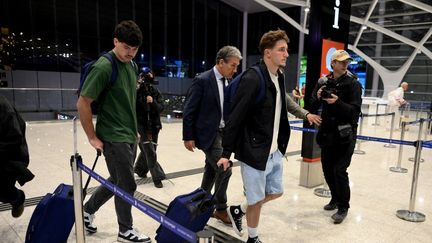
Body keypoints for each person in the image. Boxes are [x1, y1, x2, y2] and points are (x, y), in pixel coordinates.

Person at [217, 30, 321, 243]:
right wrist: (226, 152)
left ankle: (239, 210)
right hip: (255, 151)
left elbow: (285, 103)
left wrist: (305, 114)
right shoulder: (253, 78)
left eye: (286, 50)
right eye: (281, 50)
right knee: (256, 199)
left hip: (273, 150)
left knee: (276, 192)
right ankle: (253, 238)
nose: (286, 54)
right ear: (267, 53)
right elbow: (236, 116)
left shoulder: (278, 76)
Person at [76, 20, 151, 243]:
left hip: (128, 134)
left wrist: (133, 129)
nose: (130, 53)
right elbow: (83, 102)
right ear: (115, 41)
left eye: (135, 49)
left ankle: (87, 210)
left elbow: (126, 100)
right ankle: (125, 230)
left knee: (117, 179)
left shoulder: (132, 65)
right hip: (112, 135)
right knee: (127, 183)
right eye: (126, 47)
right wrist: (92, 137)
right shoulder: (104, 66)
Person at [182, 45, 242, 225]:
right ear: (220, 62)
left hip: (223, 133)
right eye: (233, 65)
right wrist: (188, 136)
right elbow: (189, 109)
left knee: (211, 170)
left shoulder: (228, 81)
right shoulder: (203, 80)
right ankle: (221, 208)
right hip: (208, 133)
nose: (235, 69)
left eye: (237, 66)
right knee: (225, 169)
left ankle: (200, 203)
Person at [309, 49, 362, 224]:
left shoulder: (353, 84)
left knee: (340, 171)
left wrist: (337, 102)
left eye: (347, 61)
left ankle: (343, 206)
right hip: (327, 133)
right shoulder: (324, 81)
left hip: (345, 135)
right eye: (341, 61)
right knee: (327, 170)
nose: (345, 63)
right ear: (333, 64)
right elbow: (311, 104)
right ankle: (334, 198)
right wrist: (317, 97)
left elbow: (354, 113)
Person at [0, 95, 34, 218]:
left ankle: (18, 198)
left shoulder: (3, 107)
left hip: (8, 159)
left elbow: (14, 138)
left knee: (4, 191)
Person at [134, 67, 166, 188]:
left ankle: (140, 170)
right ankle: (157, 177)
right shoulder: (136, 91)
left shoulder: (155, 91)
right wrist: (137, 87)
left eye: (150, 75)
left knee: (149, 150)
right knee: (149, 152)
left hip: (154, 125)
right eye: (145, 75)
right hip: (141, 125)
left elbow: (161, 108)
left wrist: (152, 101)